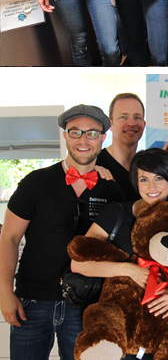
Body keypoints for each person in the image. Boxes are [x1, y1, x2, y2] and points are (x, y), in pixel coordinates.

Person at [0, 104, 123, 360]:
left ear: (103, 138)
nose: (83, 140)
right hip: (31, 301)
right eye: (75, 131)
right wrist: (4, 292)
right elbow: (9, 238)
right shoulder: (36, 182)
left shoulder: (112, 191)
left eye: (92, 133)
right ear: (65, 135)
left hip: (86, 304)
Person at [70, 148, 168, 360]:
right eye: (144, 179)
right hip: (121, 327)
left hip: (160, 332)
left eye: (159, 178)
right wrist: (129, 270)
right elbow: (78, 263)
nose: (152, 187)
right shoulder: (117, 213)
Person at [97, 92, 146, 200]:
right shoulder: (94, 165)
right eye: (123, 117)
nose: (131, 123)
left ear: (144, 124)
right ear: (111, 124)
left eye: (137, 117)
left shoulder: (148, 168)